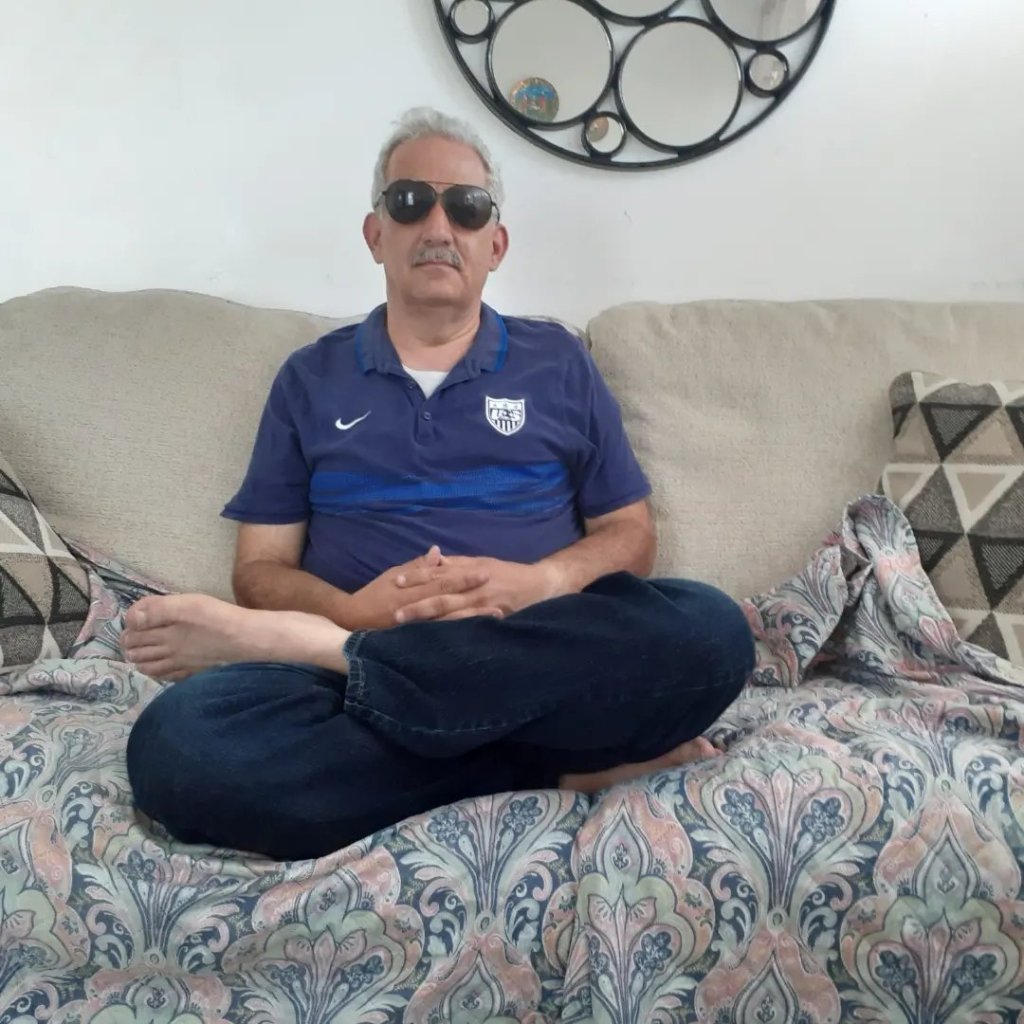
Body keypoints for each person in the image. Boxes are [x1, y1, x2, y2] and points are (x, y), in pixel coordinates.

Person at [123, 108, 754, 861]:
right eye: (410, 202)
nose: (438, 226)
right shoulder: (309, 378)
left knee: (713, 633)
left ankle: (341, 654)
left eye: (467, 207)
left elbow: (631, 535)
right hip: (352, 672)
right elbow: (258, 568)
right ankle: (537, 762)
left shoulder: (557, 361)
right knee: (176, 749)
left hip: (534, 654)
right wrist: (352, 614)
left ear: (496, 243)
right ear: (375, 234)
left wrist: (539, 583)